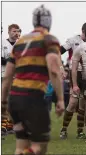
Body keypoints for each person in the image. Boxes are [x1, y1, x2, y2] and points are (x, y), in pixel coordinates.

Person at [1, 5, 65, 154]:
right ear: (49, 21)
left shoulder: (21, 41)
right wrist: (61, 99)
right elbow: (54, 71)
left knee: (21, 145)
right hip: (33, 99)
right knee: (39, 147)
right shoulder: (49, 40)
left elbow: (7, 76)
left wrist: (3, 101)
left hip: (15, 100)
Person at [59, 22, 86, 140]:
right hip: (75, 73)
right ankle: (63, 129)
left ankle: (80, 131)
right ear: (83, 31)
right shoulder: (73, 40)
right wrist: (61, 68)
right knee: (73, 103)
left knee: (83, 104)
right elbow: (57, 52)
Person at [1, 24, 21, 135]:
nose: (16, 33)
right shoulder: (3, 43)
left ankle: (9, 126)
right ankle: (3, 126)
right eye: (14, 31)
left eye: (17, 31)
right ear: (9, 32)